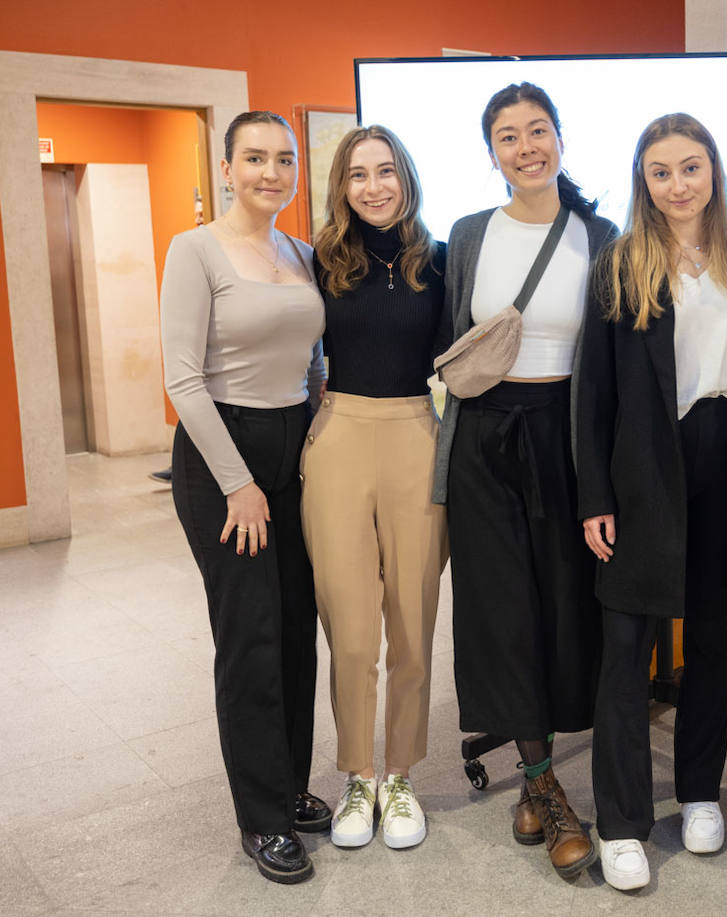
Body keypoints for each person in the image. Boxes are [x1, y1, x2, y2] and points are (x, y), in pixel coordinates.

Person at [431, 81, 618, 878]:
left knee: (564, 610)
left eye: (537, 130)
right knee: (502, 610)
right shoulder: (468, 234)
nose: (526, 147)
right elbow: (450, 345)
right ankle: (546, 788)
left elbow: (610, 356)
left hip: (566, 438)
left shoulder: (600, 234)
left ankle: (532, 784)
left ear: (561, 139)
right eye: (508, 137)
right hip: (484, 441)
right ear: (492, 154)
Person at [575, 113, 727, 891]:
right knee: (625, 652)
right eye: (661, 171)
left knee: (713, 648)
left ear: (713, 170)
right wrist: (595, 494)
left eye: (691, 167)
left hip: (724, 463)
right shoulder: (622, 263)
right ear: (642, 181)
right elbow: (595, 393)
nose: (678, 184)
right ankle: (620, 820)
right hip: (644, 467)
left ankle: (698, 792)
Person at [160, 110, 330, 884]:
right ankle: (261, 818)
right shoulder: (194, 249)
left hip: (297, 447)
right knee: (252, 635)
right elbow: (183, 379)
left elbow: (315, 358)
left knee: (297, 628)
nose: (272, 172)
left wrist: (321, 425)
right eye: (254, 158)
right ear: (226, 169)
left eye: (284, 159)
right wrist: (240, 484)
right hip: (224, 454)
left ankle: (290, 784)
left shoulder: (300, 250)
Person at [302, 125, 449, 851]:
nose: (373, 186)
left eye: (386, 171)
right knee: (353, 632)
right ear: (342, 186)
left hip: (418, 437)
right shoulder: (319, 260)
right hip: (338, 439)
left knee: (413, 627)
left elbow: (463, 357)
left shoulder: (441, 262)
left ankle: (400, 775)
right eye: (358, 174)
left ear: (406, 177)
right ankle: (356, 774)